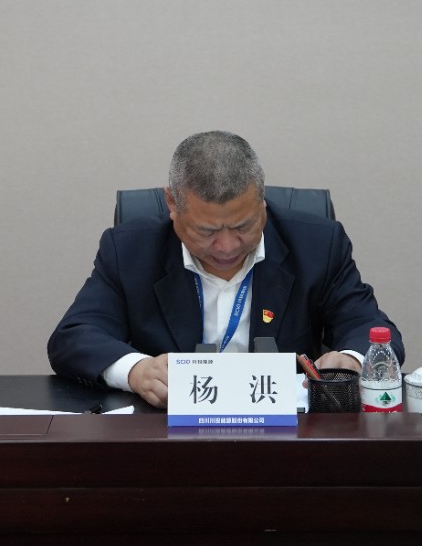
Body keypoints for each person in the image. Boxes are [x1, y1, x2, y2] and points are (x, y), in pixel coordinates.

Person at [48, 130, 403, 407]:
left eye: (243, 226)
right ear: (172, 203)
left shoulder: (317, 244)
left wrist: (352, 360)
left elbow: (369, 327)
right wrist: (136, 371)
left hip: (285, 436)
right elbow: (74, 337)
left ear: (262, 200)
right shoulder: (129, 250)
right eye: (207, 231)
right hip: (166, 435)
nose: (227, 246)